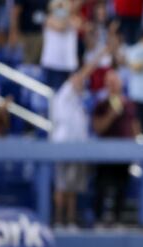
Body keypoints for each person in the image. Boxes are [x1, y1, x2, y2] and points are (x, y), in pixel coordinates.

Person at [50, 51, 106, 229]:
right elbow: (84, 73)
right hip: (63, 146)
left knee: (72, 188)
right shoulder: (65, 92)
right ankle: (58, 221)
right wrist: (102, 53)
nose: (82, 82)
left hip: (77, 147)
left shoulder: (79, 100)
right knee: (62, 186)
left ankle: (70, 221)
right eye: (79, 79)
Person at [92, 69, 141, 228]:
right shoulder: (101, 103)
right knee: (102, 186)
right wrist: (112, 114)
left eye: (115, 82)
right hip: (105, 153)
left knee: (122, 186)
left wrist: (137, 143)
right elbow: (98, 127)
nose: (113, 85)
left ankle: (118, 220)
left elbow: (134, 126)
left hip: (124, 153)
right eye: (110, 82)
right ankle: (99, 220)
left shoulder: (129, 103)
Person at [40, 0, 82, 90]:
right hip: (53, 65)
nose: (61, 9)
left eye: (63, 6)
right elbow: (61, 27)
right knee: (54, 97)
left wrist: (70, 13)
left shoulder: (73, 19)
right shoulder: (49, 19)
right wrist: (70, 12)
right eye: (59, 6)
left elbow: (79, 25)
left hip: (69, 65)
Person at [9, 0, 49, 64]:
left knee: (36, 62)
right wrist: (13, 32)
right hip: (24, 34)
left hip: (39, 33)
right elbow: (15, 12)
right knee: (24, 61)